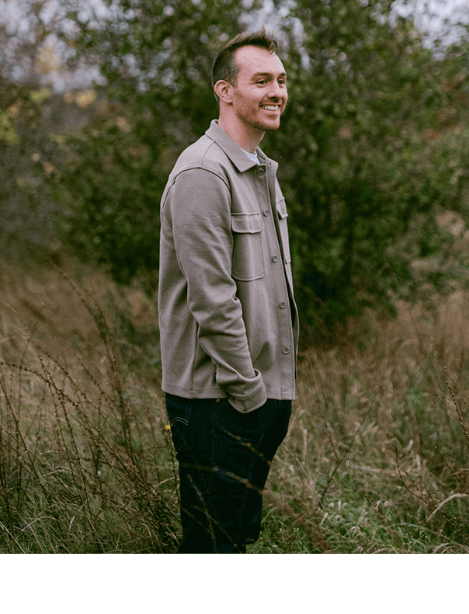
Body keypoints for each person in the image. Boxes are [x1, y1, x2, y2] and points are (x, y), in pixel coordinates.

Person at [158, 29, 299, 553]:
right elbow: (213, 301)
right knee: (211, 548)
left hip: (255, 396)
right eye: (261, 80)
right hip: (219, 400)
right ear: (225, 90)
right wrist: (249, 393)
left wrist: (269, 396)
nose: (277, 92)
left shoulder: (260, 171)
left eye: (281, 80)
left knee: (235, 542)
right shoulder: (202, 173)